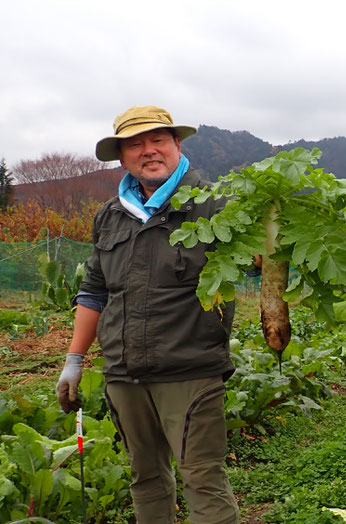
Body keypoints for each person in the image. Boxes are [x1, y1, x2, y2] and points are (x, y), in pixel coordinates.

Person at [55, 106, 240, 523]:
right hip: (124, 373)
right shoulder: (110, 215)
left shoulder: (215, 205)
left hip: (189, 372)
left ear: (177, 145)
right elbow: (94, 291)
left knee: (202, 478)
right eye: (135, 144)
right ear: (123, 157)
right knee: (145, 477)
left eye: (158, 140)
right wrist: (73, 360)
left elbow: (261, 261)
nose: (149, 150)